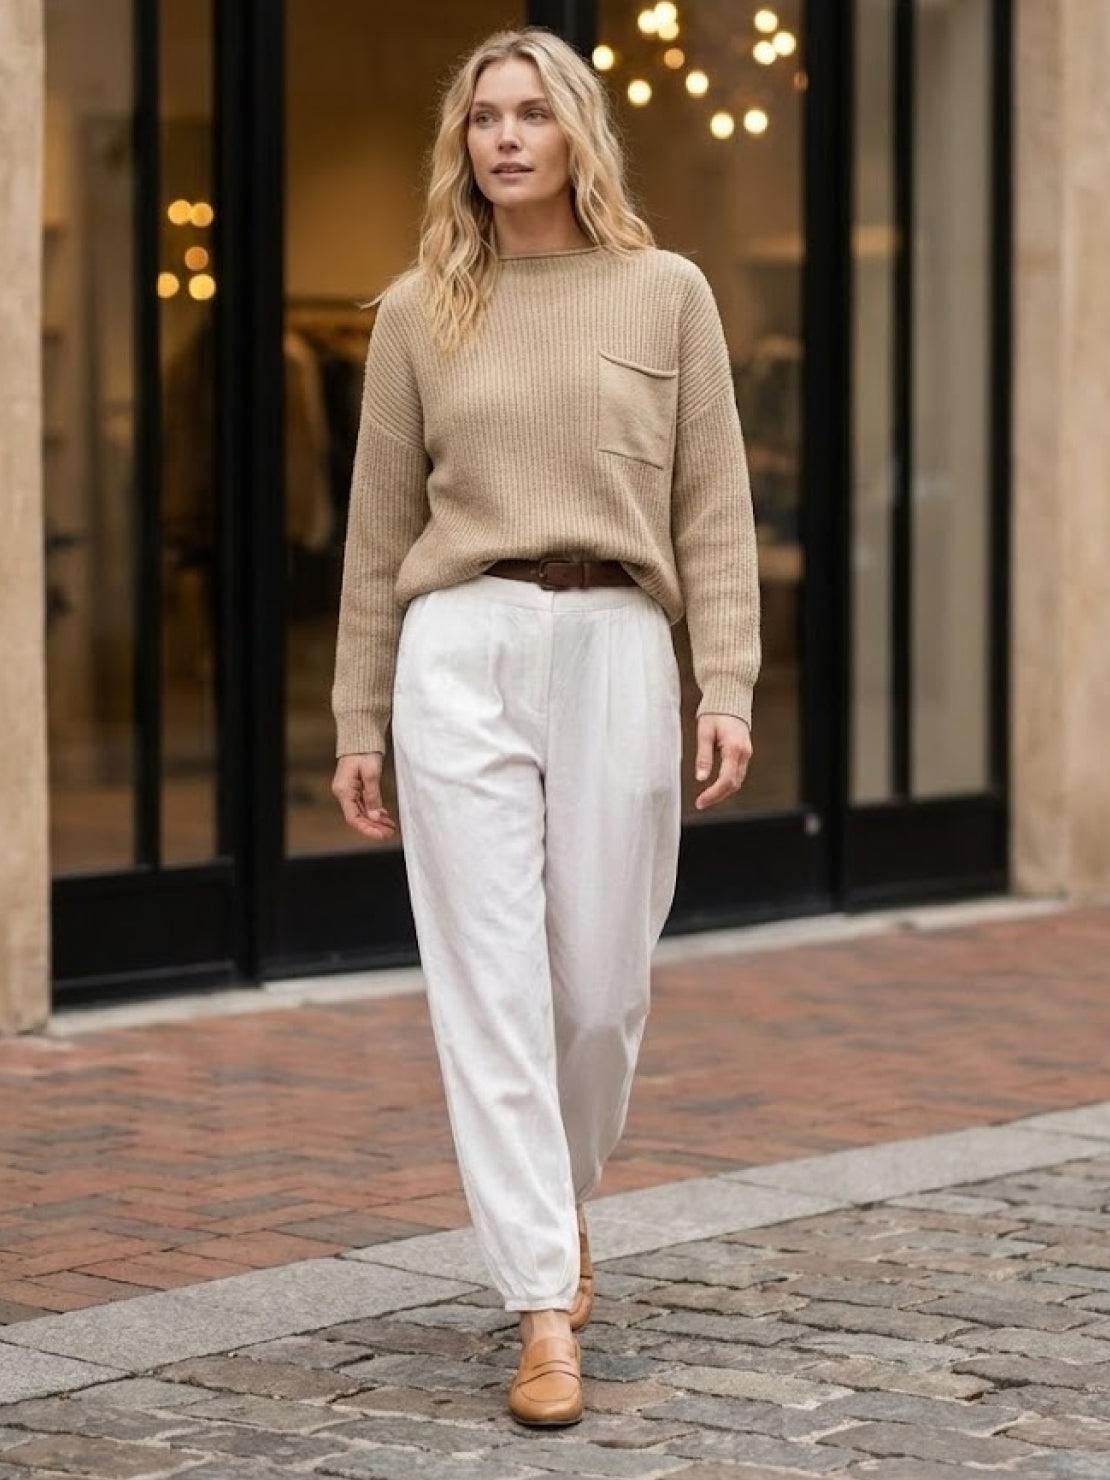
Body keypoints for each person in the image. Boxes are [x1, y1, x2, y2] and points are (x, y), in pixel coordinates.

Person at [330, 24, 760, 1427]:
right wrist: (357, 715)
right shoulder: (416, 312)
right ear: (462, 144)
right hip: (457, 646)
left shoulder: (664, 293)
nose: (505, 138)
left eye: (531, 114)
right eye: (482, 118)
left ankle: (556, 1204)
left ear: (576, 131)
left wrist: (727, 683)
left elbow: (711, 506)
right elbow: (377, 527)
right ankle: (536, 1304)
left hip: (618, 646)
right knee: (491, 991)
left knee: (596, 990)